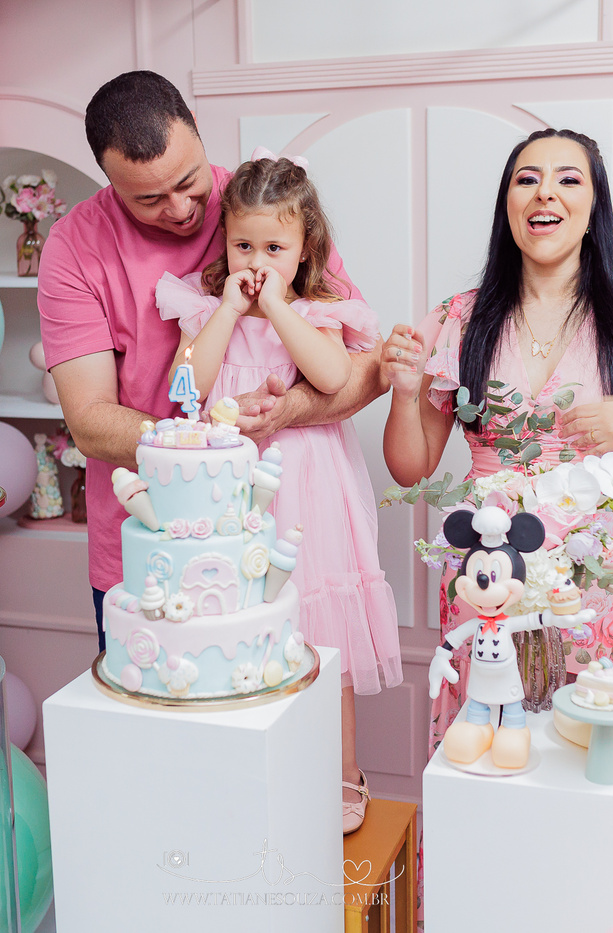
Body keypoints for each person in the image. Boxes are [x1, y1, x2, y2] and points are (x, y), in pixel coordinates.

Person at [36, 72, 385, 818]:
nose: (181, 209)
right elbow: (90, 420)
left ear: (199, 133)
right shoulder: (75, 249)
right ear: (109, 182)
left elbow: (360, 371)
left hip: (280, 513)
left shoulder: (263, 199)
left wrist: (283, 411)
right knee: (181, 776)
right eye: (148, 199)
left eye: (189, 182)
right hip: (153, 543)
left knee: (297, 693)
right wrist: (208, 441)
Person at [379, 128, 613, 758]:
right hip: (493, 573)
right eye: (527, 179)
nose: (546, 192)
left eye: (569, 179)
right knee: (490, 745)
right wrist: (405, 395)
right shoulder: (460, 318)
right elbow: (411, 469)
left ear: (594, 206)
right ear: (508, 206)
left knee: (604, 754)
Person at [156, 152, 402, 832]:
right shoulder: (205, 308)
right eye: (243, 246)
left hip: (308, 484)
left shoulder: (316, 310)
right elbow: (185, 387)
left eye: (274, 248)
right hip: (234, 492)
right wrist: (231, 309)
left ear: (304, 249)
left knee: (324, 638)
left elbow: (331, 377)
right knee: (248, 638)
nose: (256, 260)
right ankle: (265, 778)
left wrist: (274, 305)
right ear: (225, 243)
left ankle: (343, 772)